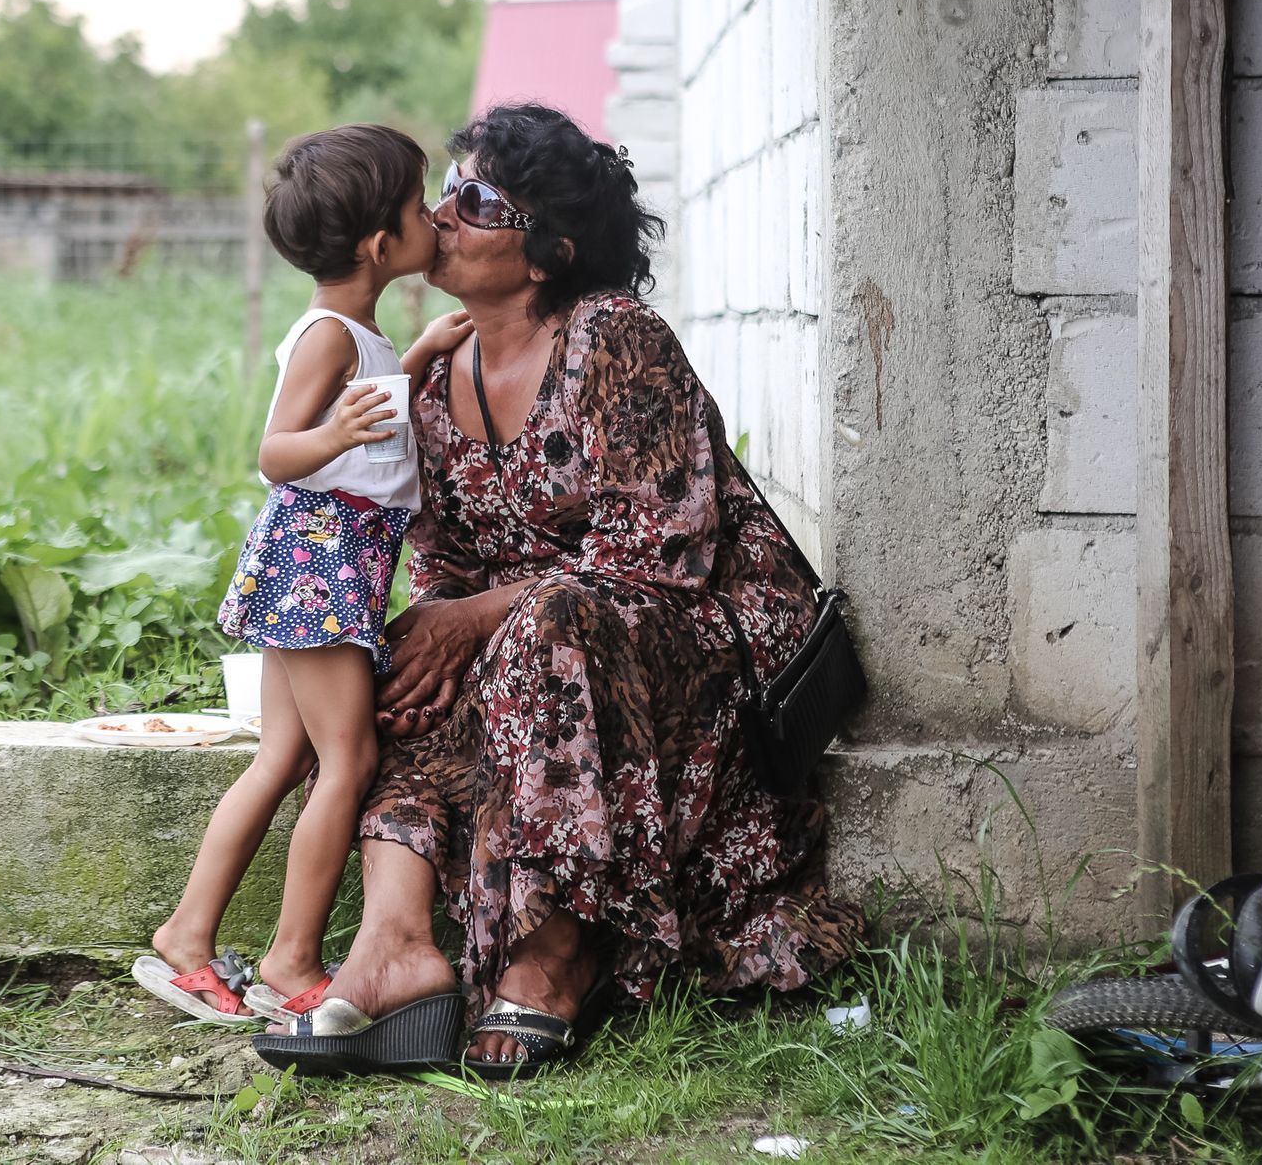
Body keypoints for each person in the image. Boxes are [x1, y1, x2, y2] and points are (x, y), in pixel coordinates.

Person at [254, 104, 865, 1077]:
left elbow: (662, 547)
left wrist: (479, 612)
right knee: (407, 654)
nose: (446, 210)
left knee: (546, 617)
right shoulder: (432, 376)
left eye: (478, 198)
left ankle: (558, 947)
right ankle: (397, 946)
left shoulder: (611, 336)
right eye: (448, 188)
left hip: (685, 642)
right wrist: (437, 621)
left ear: (545, 250)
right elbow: (445, 564)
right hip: (534, 650)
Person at [133, 124, 475, 1026]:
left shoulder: (358, 334)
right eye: (416, 208)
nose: (433, 218)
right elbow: (278, 449)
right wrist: (330, 436)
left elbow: (359, 422)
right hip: (322, 558)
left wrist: (419, 357)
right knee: (348, 757)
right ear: (379, 245)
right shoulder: (329, 333)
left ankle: (186, 934)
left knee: (285, 755)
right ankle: (291, 961)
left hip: (324, 556)